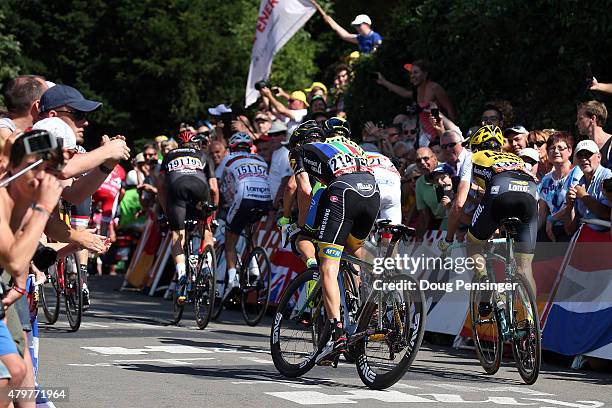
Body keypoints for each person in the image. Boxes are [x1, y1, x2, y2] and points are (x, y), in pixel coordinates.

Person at [288, 117, 380, 365]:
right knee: (352, 249)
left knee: (329, 264)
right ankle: (362, 300)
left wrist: (304, 226)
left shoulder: (299, 151)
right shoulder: (350, 146)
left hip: (345, 194)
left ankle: (337, 334)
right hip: (372, 194)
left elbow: (306, 190)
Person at [441, 125, 539, 299]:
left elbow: (459, 204)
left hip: (500, 195)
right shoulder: (514, 157)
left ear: (475, 146)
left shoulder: (473, 157)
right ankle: (533, 321)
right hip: (530, 198)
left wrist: (448, 239)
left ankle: (486, 282)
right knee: (525, 268)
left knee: (473, 244)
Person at [156, 129, 217, 304]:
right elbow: (213, 187)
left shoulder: (169, 155)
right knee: (205, 228)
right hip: (200, 189)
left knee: (177, 235)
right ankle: (206, 266)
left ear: (178, 144)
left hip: (177, 190)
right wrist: (213, 211)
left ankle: (182, 274)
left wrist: (165, 207)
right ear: (196, 143)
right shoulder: (203, 155)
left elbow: (160, 184)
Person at [217, 132, 272, 296]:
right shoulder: (260, 160)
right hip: (265, 199)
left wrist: (223, 205)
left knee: (230, 241)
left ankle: (232, 281)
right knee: (251, 232)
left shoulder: (228, 158)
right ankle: (255, 270)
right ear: (250, 147)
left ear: (232, 148)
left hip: (244, 198)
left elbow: (221, 185)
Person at [537, 132, 582, 242]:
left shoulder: (578, 173)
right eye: (552, 148)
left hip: (572, 228)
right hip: (551, 229)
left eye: (561, 148)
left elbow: (577, 204)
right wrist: (529, 234)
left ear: (570, 151)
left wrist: (552, 219)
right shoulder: (546, 180)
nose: (556, 151)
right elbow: (542, 214)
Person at [376, 60, 456, 121]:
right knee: (399, 118)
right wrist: (383, 82)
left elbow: (449, 108)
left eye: (416, 72)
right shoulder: (417, 90)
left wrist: (452, 133)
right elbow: (404, 93)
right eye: (411, 73)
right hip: (422, 128)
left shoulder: (434, 87)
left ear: (425, 74)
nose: (412, 76)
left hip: (437, 127)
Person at [563, 140, 612, 235]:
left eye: (588, 154)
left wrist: (583, 196)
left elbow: (607, 214)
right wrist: (569, 206)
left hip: (604, 237)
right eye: (580, 156)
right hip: (584, 234)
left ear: (599, 157)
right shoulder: (578, 183)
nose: (583, 159)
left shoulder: (608, 178)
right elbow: (569, 230)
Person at [312, 3, 382, 54]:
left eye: (358, 25)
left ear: (367, 24)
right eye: (355, 25)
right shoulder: (360, 38)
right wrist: (331, 21)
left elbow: (377, 54)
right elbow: (345, 35)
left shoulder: (375, 37)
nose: (357, 28)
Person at [414, 147, 446, 239]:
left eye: (425, 158)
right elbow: (424, 216)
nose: (422, 163)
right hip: (437, 224)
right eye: (418, 160)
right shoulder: (419, 183)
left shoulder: (449, 170)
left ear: (435, 158)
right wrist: (418, 241)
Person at [575, 101, 612, 169]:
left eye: (580, 118)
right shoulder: (582, 147)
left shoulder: (610, 144)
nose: (576, 123)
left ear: (593, 119)